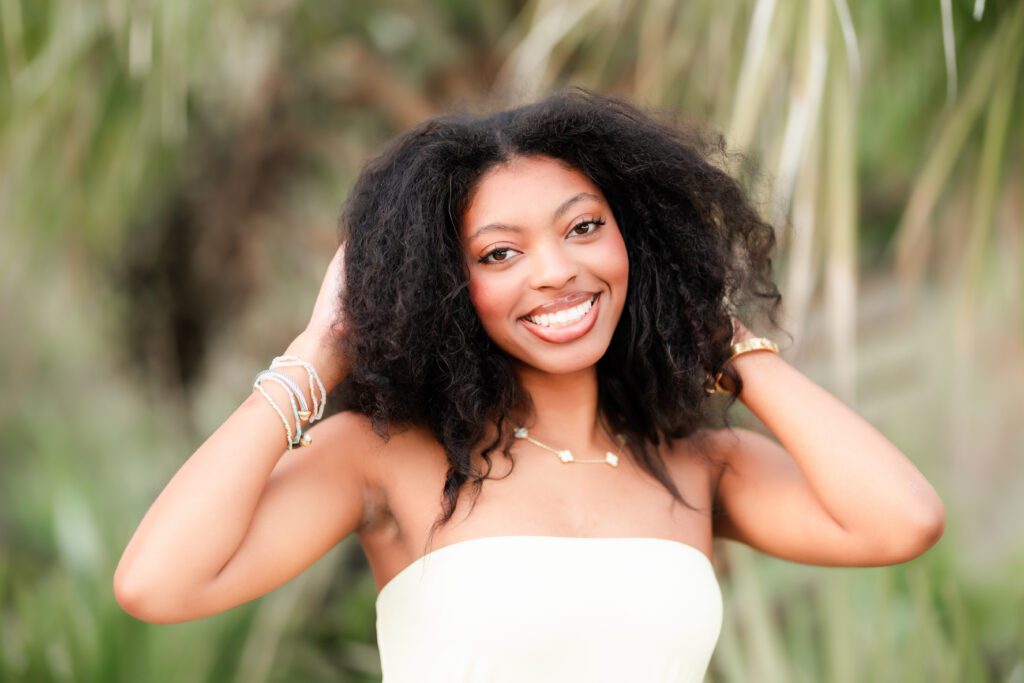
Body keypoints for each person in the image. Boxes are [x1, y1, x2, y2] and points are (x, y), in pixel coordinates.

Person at [113, 89, 945, 682]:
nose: (555, 271)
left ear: (639, 244)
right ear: (444, 284)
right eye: (499, 253)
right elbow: (158, 583)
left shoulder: (695, 464)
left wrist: (721, 338)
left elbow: (901, 519)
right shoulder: (381, 459)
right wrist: (321, 349)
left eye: (584, 227)